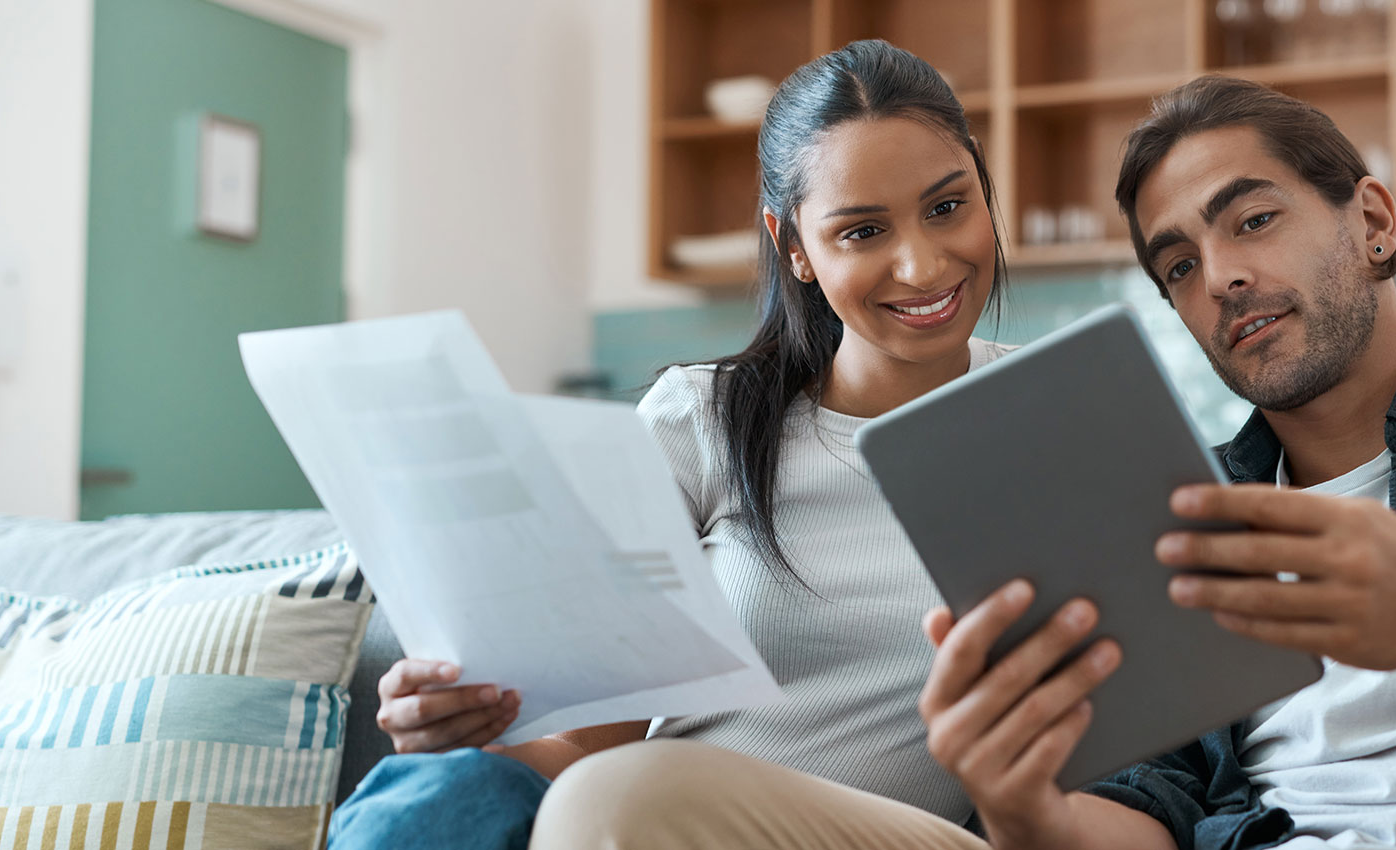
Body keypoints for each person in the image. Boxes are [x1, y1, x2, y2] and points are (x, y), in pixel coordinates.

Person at [534, 75, 1396, 850]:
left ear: (1368, 221)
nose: (1225, 277)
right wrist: (1018, 797)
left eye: (1252, 219)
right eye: (1178, 266)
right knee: (591, 812)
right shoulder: (1173, 504)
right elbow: (1131, 819)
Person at [329, 40, 1011, 850]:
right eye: (861, 231)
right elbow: (590, 749)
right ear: (793, 246)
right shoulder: (705, 420)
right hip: (651, 822)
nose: (922, 263)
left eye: (946, 206)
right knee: (445, 794)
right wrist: (463, 736)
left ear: (982, 186)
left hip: (892, 836)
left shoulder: (1064, 413)